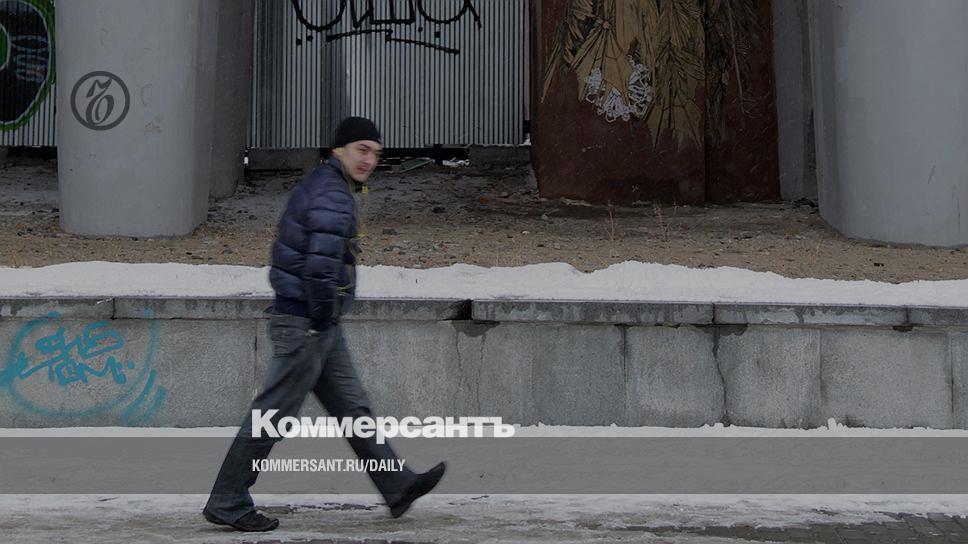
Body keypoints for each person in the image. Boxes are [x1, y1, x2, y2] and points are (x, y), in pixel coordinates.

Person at [202, 117, 445, 532]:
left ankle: (398, 485)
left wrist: (323, 319)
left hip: (318, 320)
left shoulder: (328, 185)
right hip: (307, 321)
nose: (369, 160)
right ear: (339, 150)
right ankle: (227, 500)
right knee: (272, 415)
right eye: (361, 150)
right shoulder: (332, 194)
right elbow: (319, 266)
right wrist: (318, 320)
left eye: (375, 153)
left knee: (352, 406)